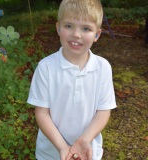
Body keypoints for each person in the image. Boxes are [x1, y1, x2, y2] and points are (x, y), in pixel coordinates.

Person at [27, 0, 117, 159]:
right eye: (69, 26)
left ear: (97, 34)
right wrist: (62, 147)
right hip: (51, 153)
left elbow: (103, 111)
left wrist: (85, 140)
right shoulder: (46, 67)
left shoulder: (103, 67)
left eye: (86, 28)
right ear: (58, 28)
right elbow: (41, 113)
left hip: (88, 151)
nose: (76, 34)